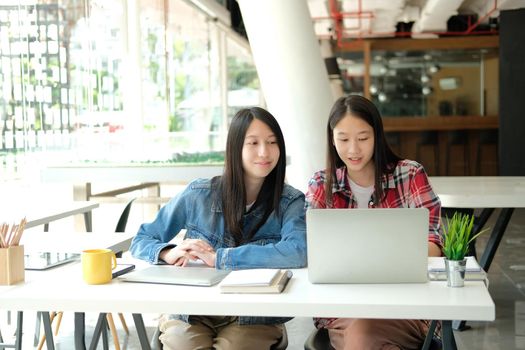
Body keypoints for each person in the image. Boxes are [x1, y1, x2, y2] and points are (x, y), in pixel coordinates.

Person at [130, 107, 307, 350]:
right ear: (235, 148)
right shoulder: (198, 194)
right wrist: (167, 252)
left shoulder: (290, 201)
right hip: (192, 311)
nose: (264, 152)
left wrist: (221, 258)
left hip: (254, 315)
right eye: (253, 143)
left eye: (272, 142)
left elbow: (297, 251)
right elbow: (142, 239)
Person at [305, 95, 442, 350]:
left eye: (363, 138)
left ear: (377, 136)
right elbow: (309, 249)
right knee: (364, 335)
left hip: (404, 308)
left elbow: (434, 242)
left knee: (364, 336)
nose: (353, 149)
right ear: (332, 139)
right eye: (343, 139)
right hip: (341, 311)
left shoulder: (409, 174)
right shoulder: (321, 185)